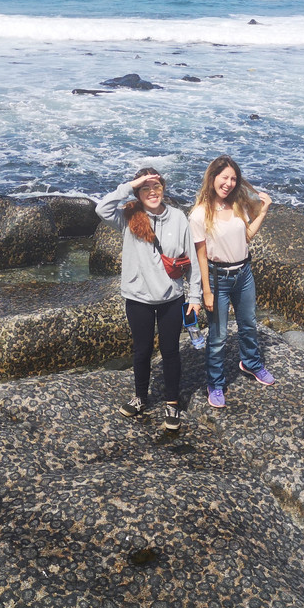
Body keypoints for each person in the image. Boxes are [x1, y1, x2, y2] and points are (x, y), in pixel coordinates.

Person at [96, 167, 201, 431]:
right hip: (138, 298)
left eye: (156, 187)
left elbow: (191, 259)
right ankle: (140, 397)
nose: (152, 192)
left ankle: (172, 403)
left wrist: (195, 296)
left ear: (164, 189)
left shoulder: (178, 217)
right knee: (141, 351)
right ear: (137, 192)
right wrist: (130, 185)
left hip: (171, 297)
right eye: (145, 188)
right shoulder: (129, 216)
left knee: (170, 351)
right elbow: (101, 208)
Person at [189, 155, 273, 408]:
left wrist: (263, 211)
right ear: (212, 177)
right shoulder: (199, 214)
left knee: (248, 323)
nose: (228, 183)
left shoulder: (237, 205)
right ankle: (215, 383)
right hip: (218, 279)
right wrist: (206, 291)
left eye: (233, 179)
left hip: (244, 274)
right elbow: (200, 256)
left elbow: (246, 237)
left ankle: (251, 363)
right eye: (224, 177)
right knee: (218, 336)